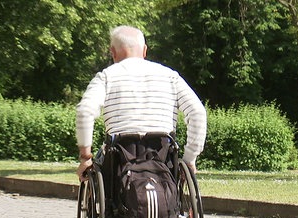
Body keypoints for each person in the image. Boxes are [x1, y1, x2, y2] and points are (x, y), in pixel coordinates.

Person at [76, 25, 207, 181]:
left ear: (113, 52)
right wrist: (190, 158)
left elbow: (85, 111)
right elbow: (197, 112)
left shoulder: (106, 77)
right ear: (145, 50)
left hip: (120, 158)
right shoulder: (170, 76)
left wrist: (85, 157)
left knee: (98, 160)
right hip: (163, 156)